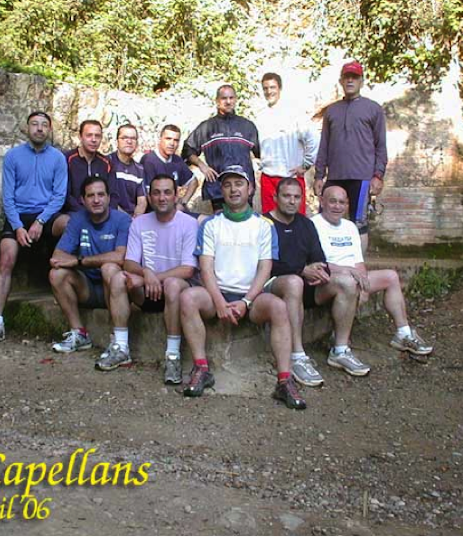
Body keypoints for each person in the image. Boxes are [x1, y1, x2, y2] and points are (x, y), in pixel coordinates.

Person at [179, 165, 306, 410]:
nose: (233, 189)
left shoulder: (264, 225)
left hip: (253, 297)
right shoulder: (211, 224)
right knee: (188, 298)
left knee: (279, 307)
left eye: (239, 184)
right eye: (227, 185)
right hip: (216, 294)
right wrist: (219, 302)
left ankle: (284, 380)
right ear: (221, 190)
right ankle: (201, 368)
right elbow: (205, 268)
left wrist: (246, 301)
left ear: (250, 189)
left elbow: (265, 267)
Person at [311, 185, 433, 376]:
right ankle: (340, 350)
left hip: (352, 277)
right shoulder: (313, 225)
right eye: (332, 201)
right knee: (348, 283)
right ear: (322, 202)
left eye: (342, 202)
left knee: (391, 276)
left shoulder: (350, 227)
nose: (337, 206)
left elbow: (358, 262)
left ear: (347, 205)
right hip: (329, 279)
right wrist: (348, 272)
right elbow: (316, 263)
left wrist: (364, 285)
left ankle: (403, 334)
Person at [0, 111, 68, 344]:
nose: (39, 128)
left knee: (69, 225)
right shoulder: (13, 156)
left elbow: (59, 196)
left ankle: (68, 293)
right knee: (6, 259)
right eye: (34, 124)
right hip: (18, 215)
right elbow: (7, 197)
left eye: (44, 125)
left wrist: (40, 221)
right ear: (27, 128)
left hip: (47, 215)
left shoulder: (58, 158)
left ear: (49, 130)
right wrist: (18, 227)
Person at [107, 174, 199, 381]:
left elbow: (188, 269)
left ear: (176, 195)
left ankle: (172, 356)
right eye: (156, 193)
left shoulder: (189, 224)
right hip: (147, 292)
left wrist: (154, 278)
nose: (162, 197)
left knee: (173, 284)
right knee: (118, 278)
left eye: (167, 192)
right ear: (149, 197)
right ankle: (121, 347)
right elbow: (130, 262)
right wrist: (146, 273)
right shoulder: (139, 223)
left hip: (176, 293)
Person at [48, 176, 131, 369]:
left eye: (101, 195)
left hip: (116, 288)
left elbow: (120, 257)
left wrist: (80, 261)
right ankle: (79, 334)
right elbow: (57, 257)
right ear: (83, 200)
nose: (96, 200)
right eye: (91, 196)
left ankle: (118, 342)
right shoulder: (77, 219)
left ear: (109, 198)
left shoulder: (122, 220)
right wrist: (75, 261)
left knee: (109, 267)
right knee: (56, 274)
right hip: (88, 287)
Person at [313, 61, 387, 252]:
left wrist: (378, 175)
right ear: (341, 81)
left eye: (354, 77)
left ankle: (358, 265)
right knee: (324, 220)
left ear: (361, 81)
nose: (350, 81)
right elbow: (324, 144)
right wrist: (319, 176)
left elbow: (381, 145)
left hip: (361, 177)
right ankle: (324, 262)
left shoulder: (373, 109)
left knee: (359, 223)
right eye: (347, 77)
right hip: (335, 176)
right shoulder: (331, 111)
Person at [263, 178, 330, 387]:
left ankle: (341, 349)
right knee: (294, 282)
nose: (292, 201)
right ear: (275, 197)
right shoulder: (263, 224)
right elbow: (266, 265)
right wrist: (301, 270)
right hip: (271, 285)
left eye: (296, 197)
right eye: (286, 196)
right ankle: (297, 355)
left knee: (345, 283)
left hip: (304, 284)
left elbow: (319, 258)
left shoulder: (306, 224)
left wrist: (320, 270)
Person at [181, 85, 260, 211]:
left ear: (236, 99)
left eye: (231, 98)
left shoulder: (247, 126)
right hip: (217, 189)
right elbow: (187, 149)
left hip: (243, 189)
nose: (228, 102)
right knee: (221, 223)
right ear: (217, 101)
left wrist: (254, 177)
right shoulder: (206, 127)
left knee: (243, 222)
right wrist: (202, 166)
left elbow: (262, 155)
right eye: (224, 98)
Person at [255, 72, 318, 214]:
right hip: (268, 178)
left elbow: (313, 138)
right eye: (265, 88)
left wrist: (306, 164)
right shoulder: (261, 116)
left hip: (291, 177)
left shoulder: (294, 112)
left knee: (296, 222)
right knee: (270, 222)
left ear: (280, 88)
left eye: (272, 87)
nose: (269, 91)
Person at [54, 119, 111, 235]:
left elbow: (112, 193)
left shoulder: (106, 163)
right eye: (89, 135)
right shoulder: (66, 159)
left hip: (101, 212)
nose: (94, 140)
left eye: (97, 136)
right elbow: (65, 195)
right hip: (71, 212)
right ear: (80, 137)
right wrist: (87, 213)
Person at [141, 124, 199, 213]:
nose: (172, 143)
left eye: (176, 140)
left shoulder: (177, 160)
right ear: (160, 139)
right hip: (155, 213)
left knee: (204, 219)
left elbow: (194, 181)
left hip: (174, 210)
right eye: (168, 139)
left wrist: (183, 202)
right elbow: (149, 196)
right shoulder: (149, 160)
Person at [108, 123, 147, 217]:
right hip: (109, 216)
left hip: (133, 219)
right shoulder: (106, 163)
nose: (129, 141)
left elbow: (142, 201)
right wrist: (126, 218)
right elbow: (107, 198)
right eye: (124, 138)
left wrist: (135, 219)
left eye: (133, 138)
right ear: (117, 141)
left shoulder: (140, 169)